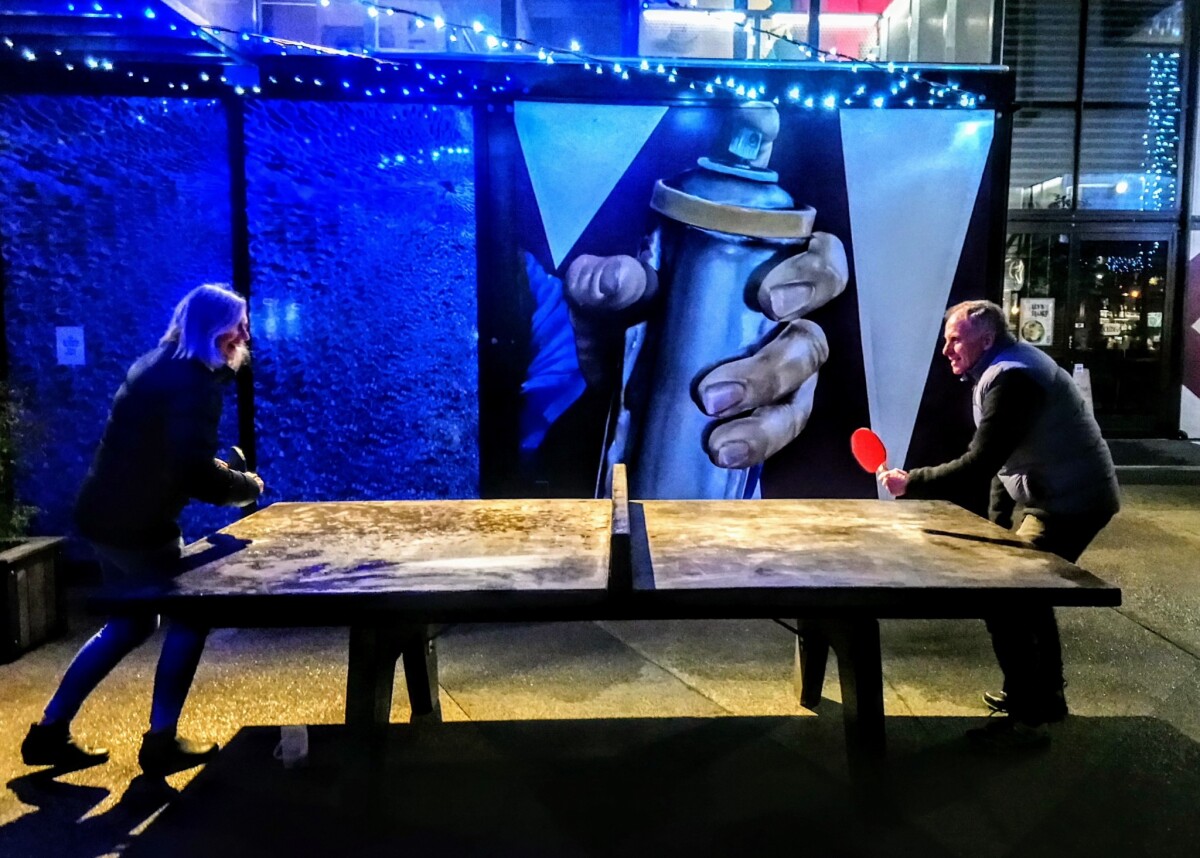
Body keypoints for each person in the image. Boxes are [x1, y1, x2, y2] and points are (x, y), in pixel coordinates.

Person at [21, 283, 265, 775]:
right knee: (191, 615)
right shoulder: (195, 384)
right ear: (212, 329)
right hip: (137, 525)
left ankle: (49, 731)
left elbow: (162, 451)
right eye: (237, 325)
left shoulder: (159, 362)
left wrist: (211, 467)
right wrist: (245, 487)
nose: (244, 334)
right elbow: (191, 470)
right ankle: (160, 742)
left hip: (103, 514)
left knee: (132, 623)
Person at [878, 299, 1119, 750]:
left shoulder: (1013, 379)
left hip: (1073, 502)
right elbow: (1004, 463)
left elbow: (981, 461)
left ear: (986, 339)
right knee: (1029, 596)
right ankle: (1044, 699)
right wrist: (997, 527)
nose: (946, 350)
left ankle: (1028, 721)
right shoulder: (1000, 370)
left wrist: (912, 482)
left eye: (955, 340)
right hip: (1057, 496)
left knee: (1008, 598)